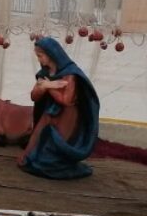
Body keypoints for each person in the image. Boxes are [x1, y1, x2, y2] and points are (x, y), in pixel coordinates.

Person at [18, 36, 100, 179]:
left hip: (67, 114)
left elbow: (66, 100)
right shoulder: (45, 73)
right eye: (37, 56)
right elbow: (34, 96)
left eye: (41, 56)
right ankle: (27, 157)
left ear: (51, 54)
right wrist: (43, 87)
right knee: (38, 132)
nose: (39, 59)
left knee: (58, 141)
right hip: (50, 111)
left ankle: (56, 163)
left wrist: (48, 86)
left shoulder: (70, 74)